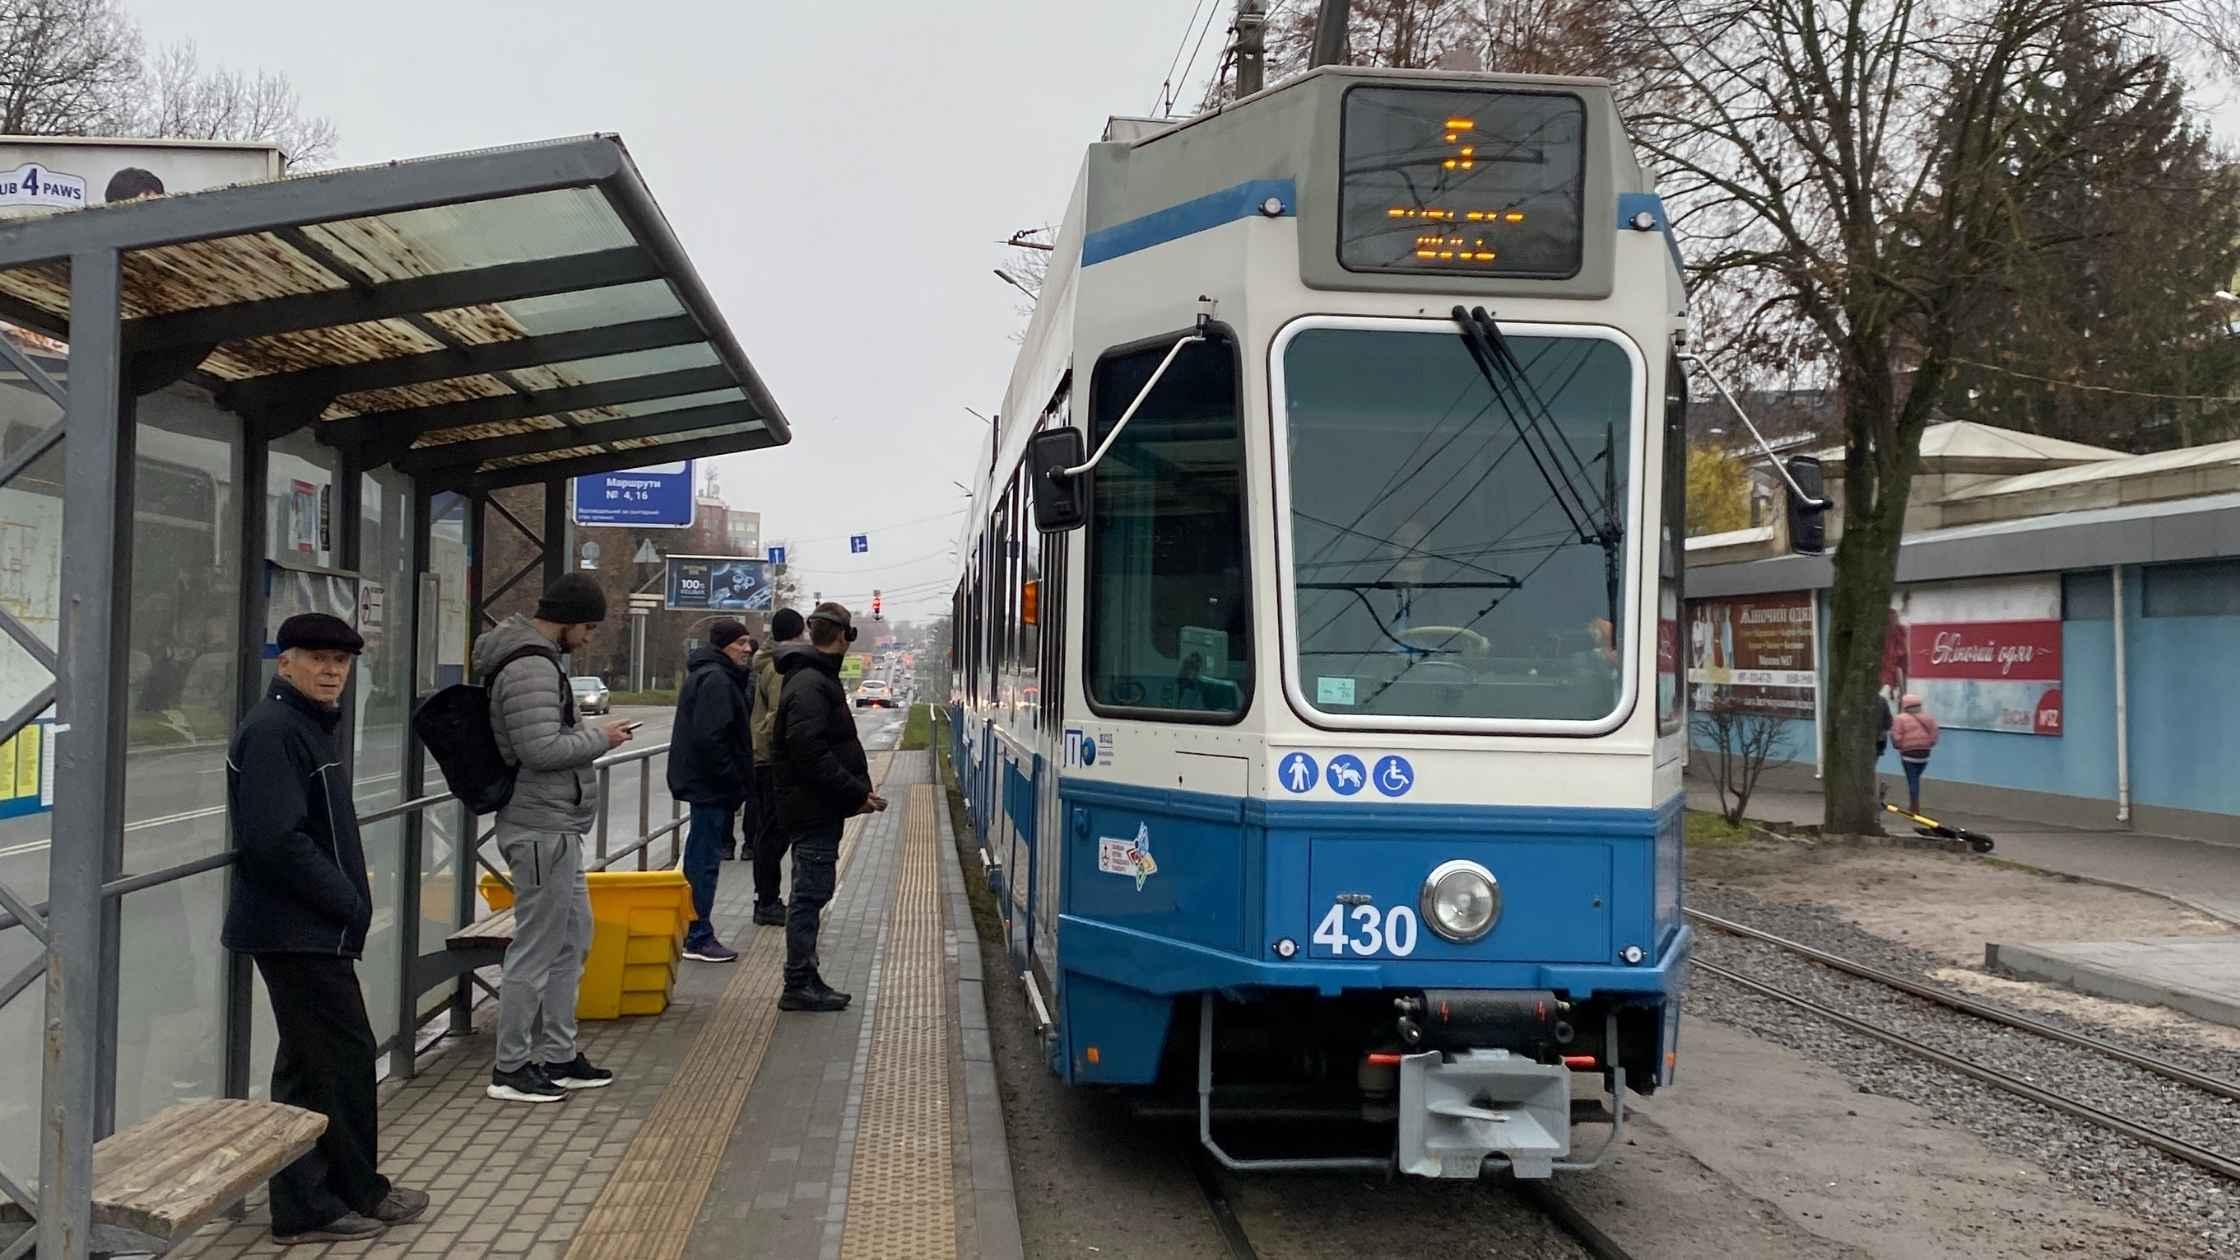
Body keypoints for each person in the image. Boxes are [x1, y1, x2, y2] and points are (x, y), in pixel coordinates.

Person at [223, 613, 428, 1245]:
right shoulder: (276, 731)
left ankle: (320, 1195)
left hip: (306, 927)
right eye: (316, 658)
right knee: (340, 1060)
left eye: (341, 661)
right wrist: (346, 900)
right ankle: (338, 1198)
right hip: (297, 928)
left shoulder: (303, 728)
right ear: (284, 663)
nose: (331, 670)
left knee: (310, 1066)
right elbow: (274, 840)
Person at [474, 575, 633, 1103]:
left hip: (555, 825)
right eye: (587, 627)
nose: (588, 639)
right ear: (566, 619)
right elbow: (539, 749)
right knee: (536, 948)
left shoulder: (537, 660)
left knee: (571, 939)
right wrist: (601, 739)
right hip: (539, 825)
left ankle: (559, 1055)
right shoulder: (530, 666)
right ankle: (511, 1068)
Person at [773, 603, 884, 1012]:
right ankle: (798, 983)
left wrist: (855, 793)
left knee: (811, 892)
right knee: (809, 894)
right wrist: (854, 792)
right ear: (842, 636)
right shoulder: (811, 684)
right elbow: (810, 752)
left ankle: (806, 976)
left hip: (814, 804)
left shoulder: (811, 679)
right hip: (813, 807)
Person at [669, 618, 754, 963]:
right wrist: (732, 779)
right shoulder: (717, 680)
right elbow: (712, 738)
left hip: (705, 784)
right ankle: (697, 934)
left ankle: (694, 929)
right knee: (703, 863)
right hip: (710, 787)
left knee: (701, 860)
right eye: (742, 643)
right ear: (724, 645)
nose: (748, 649)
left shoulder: (710, 675)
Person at [749, 609, 806, 925]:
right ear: (797, 635)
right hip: (773, 760)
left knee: (770, 831)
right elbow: (778, 715)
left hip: (765, 758)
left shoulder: (769, 662)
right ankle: (767, 902)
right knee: (773, 833)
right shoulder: (781, 668)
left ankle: (766, 899)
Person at [1892, 693, 1941, 813]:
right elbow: (1935, 734)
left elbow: (1897, 736)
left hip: (1908, 754)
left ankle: (1914, 807)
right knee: (1916, 778)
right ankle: (1913, 804)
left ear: (1905, 706)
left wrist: (1898, 746)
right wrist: (1929, 744)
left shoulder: (1900, 718)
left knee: (1912, 779)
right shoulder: (1929, 718)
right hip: (1924, 754)